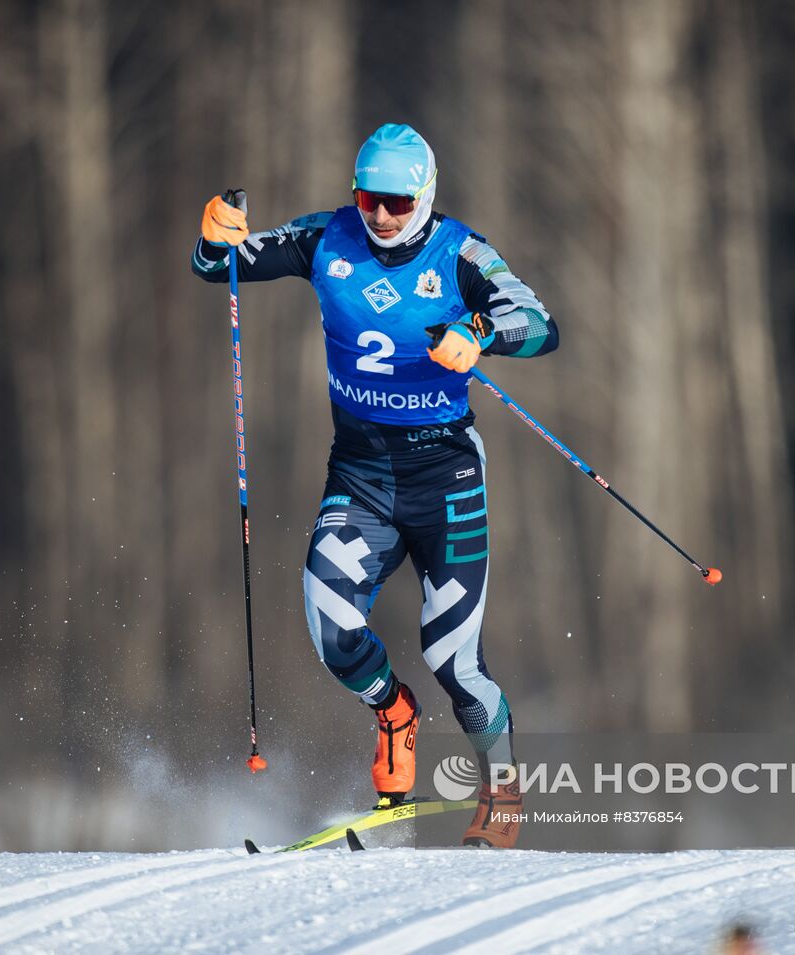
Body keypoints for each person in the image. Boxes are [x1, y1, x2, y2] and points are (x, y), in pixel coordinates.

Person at [192, 123, 558, 847]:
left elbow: (544, 324)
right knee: (329, 616)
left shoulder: (462, 254)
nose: (380, 215)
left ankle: (504, 791)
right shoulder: (328, 238)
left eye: (395, 200)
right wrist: (214, 236)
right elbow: (221, 266)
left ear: (423, 197)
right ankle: (394, 714)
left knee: (453, 657)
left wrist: (481, 330)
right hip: (360, 476)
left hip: (445, 476)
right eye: (367, 196)